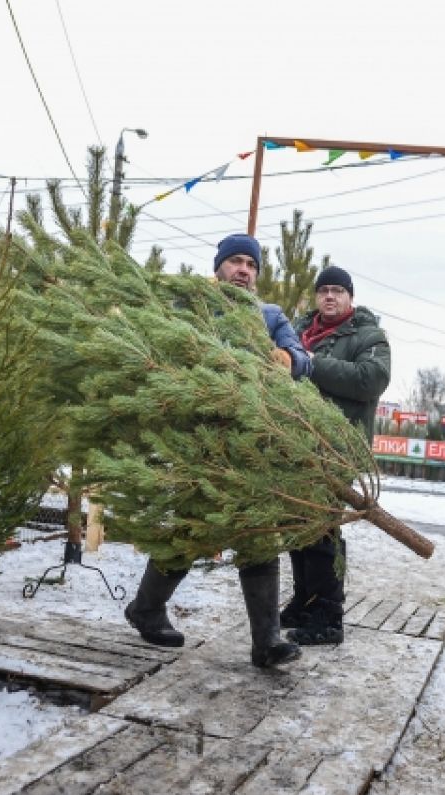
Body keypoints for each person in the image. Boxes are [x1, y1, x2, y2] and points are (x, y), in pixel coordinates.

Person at [124, 233, 309, 668]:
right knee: (191, 529)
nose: (244, 270)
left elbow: (304, 360)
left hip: (251, 441)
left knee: (260, 533)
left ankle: (266, 642)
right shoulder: (191, 308)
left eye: (252, 264)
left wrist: (283, 360)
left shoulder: (270, 316)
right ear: (219, 267)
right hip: (200, 440)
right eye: (236, 262)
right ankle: (146, 608)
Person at [283, 265, 391, 645]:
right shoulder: (299, 331)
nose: (330, 296)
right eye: (324, 290)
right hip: (297, 443)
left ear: (350, 297)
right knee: (297, 525)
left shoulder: (369, 336)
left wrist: (309, 364)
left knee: (320, 529)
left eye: (337, 291)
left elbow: (370, 380)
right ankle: (305, 600)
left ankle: (329, 616)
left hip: (338, 447)